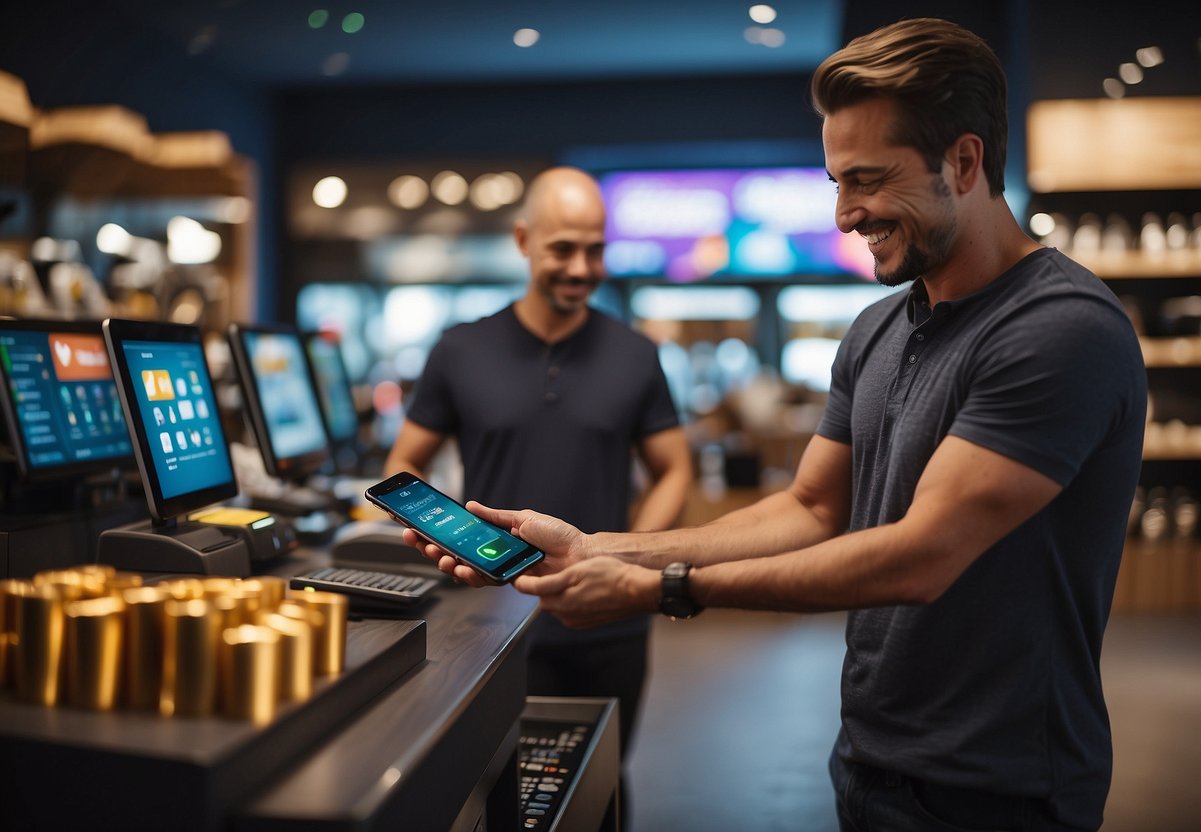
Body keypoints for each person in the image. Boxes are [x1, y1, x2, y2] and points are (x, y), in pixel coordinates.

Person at [405, 19, 1148, 832]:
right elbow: (810, 509)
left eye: (865, 179)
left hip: (1002, 787)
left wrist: (661, 588)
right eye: (835, 181)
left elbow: (921, 556)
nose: (843, 214)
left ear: (963, 162)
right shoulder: (877, 330)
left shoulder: (1058, 328)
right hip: (872, 756)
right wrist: (595, 548)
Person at [384, 165, 693, 819]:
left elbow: (674, 469)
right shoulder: (459, 349)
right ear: (524, 240)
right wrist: (450, 538)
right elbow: (405, 465)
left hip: (607, 619)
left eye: (595, 250)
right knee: (499, 796)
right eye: (562, 248)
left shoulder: (636, 355)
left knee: (602, 782)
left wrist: (627, 555)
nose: (580, 267)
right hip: (489, 620)